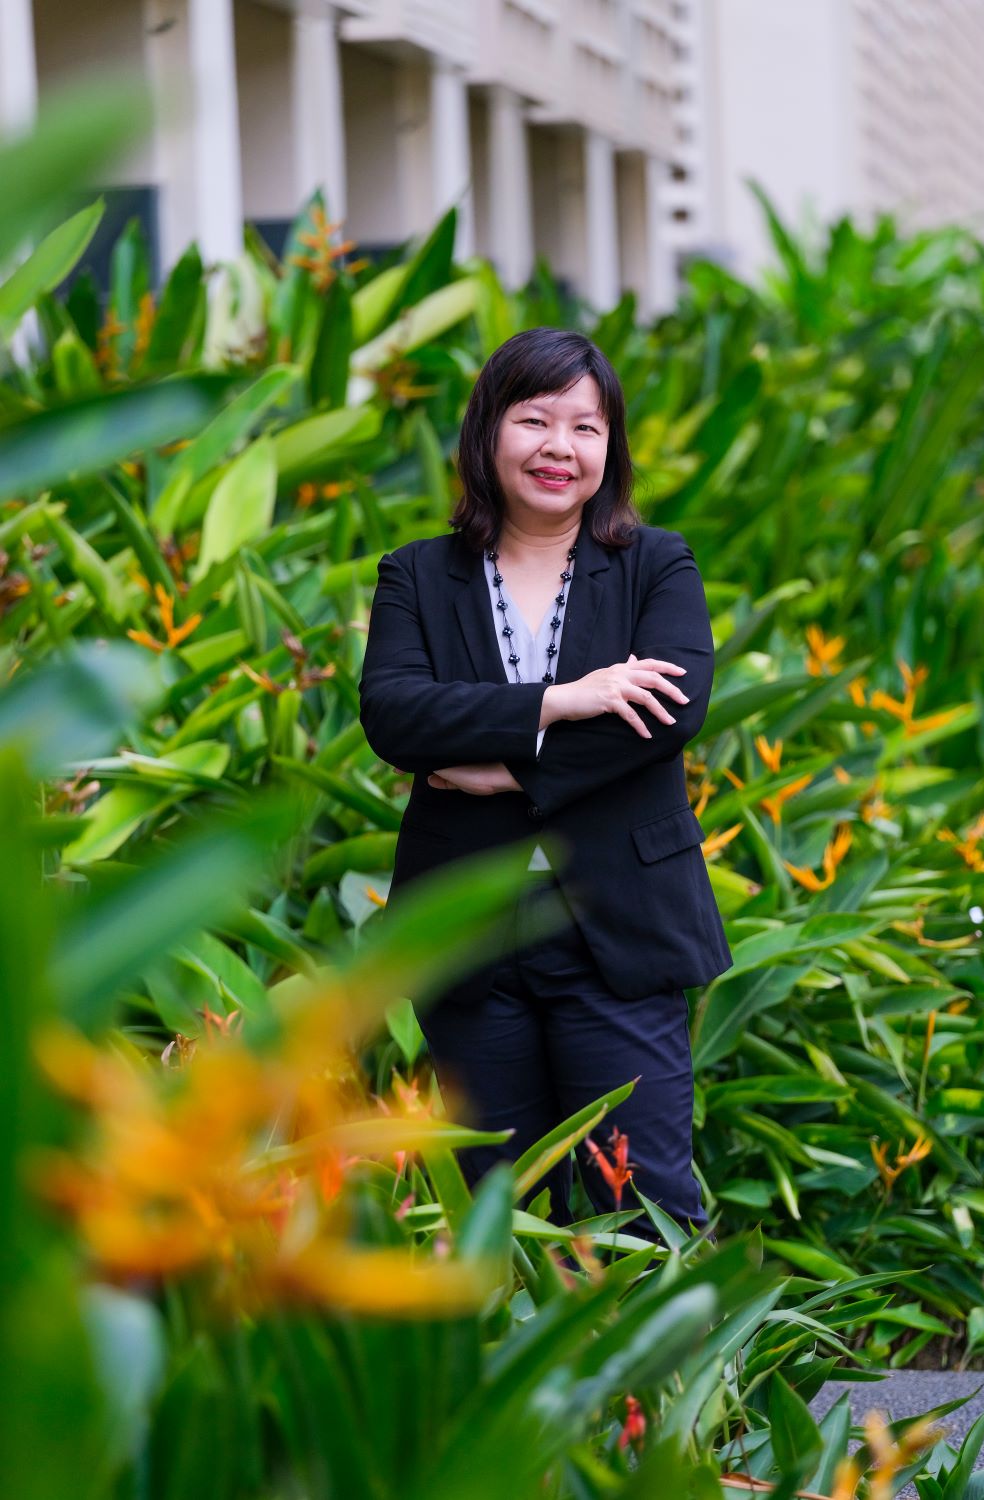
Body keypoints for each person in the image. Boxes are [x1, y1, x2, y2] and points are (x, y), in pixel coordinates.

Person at [359, 326, 733, 1244]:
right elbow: (396, 714)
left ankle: (646, 1349)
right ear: (489, 430)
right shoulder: (417, 575)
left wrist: (497, 763)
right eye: (534, 420)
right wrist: (561, 702)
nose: (559, 447)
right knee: (499, 1213)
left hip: (619, 927)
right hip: (468, 935)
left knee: (640, 1209)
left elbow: (669, 711)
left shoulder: (656, 564)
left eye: (585, 427)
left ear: (611, 448)